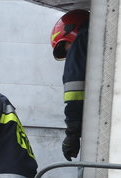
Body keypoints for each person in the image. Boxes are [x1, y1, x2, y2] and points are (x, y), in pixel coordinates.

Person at [51, 9, 89, 161]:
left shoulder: (80, 43)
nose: (68, 53)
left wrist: (72, 134)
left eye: (65, 46)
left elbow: (74, 94)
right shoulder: (93, 38)